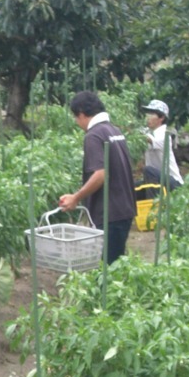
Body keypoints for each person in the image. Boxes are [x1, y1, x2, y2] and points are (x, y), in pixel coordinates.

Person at [59, 91, 137, 264]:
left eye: (75, 118)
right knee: (116, 265)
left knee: (108, 271)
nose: (77, 123)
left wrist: (76, 198)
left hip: (110, 212)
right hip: (124, 208)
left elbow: (100, 174)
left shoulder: (93, 135)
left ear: (81, 114)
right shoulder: (113, 130)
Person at [140, 99, 183, 194]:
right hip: (156, 181)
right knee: (132, 188)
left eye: (152, 114)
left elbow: (149, 140)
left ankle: (154, 207)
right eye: (147, 113)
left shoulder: (165, 134)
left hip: (173, 184)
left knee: (148, 171)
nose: (148, 117)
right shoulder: (146, 131)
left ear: (162, 117)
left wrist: (133, 132)